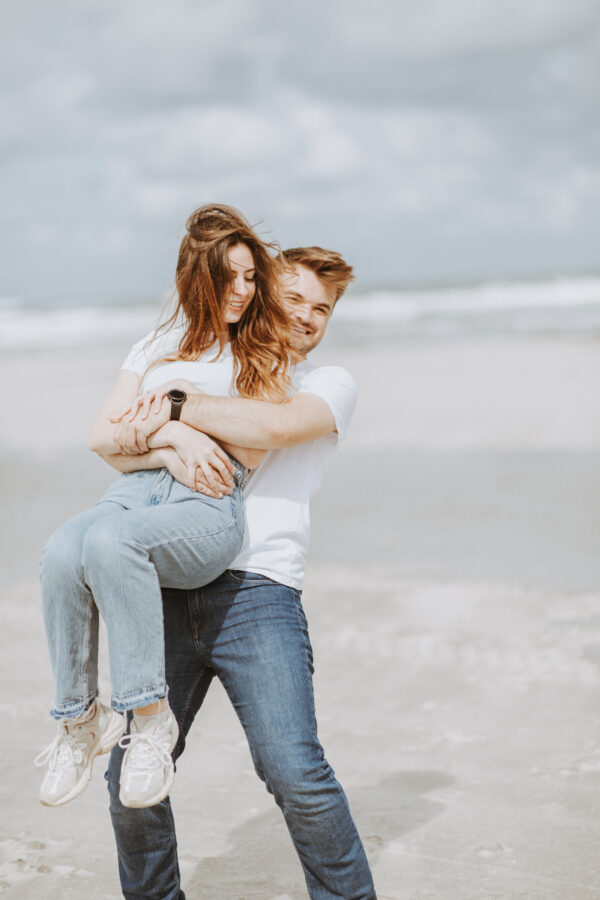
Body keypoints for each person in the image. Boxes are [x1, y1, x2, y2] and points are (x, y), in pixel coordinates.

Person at [104, 247, 377, 898]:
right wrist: (176, 421)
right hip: (169, 588)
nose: (307, 316)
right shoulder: (207, 368)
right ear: (261, 295)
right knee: (129, 777)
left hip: (260, 592)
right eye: (294, 299)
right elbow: (116, 441)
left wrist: (174, 406)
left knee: (293, 771)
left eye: (322, 308)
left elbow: (274, 427)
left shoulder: (327, 382)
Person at [36, 203, 294, 811]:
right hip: (134, 491)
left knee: (109, 543)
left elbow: (253, 448)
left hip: (206, 502)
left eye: (250, 276)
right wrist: (172, 439)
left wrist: (173, 411)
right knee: (61, 550)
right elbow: (102, 438)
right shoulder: (154, 346)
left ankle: (150, 720)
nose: (242, 290)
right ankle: (79, 719)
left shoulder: (259, 346)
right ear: (196, 279)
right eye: (227, 277)